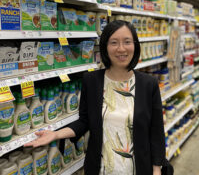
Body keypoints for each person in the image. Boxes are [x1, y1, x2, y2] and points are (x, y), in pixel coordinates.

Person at [25, 20, 165, 175]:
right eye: (114, 42)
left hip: (138, 169)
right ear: (105, 47)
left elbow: (156, 131)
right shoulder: (91, 81)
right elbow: (84, 121)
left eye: (127, 42)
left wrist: (157, 169)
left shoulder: (148, 84)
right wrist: (56, 134)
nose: (121, 49)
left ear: (135, 45)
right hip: (100, 169)